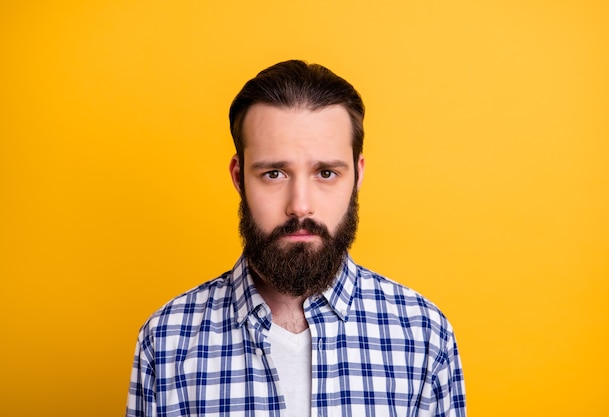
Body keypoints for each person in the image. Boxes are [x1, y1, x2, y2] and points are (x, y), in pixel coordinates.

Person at [126, 60, 466, 417]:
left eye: (326, 173)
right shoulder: (165, 341)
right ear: (239, 177)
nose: (300, 206)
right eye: (274, 173)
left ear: (357, 175)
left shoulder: (425, 335)